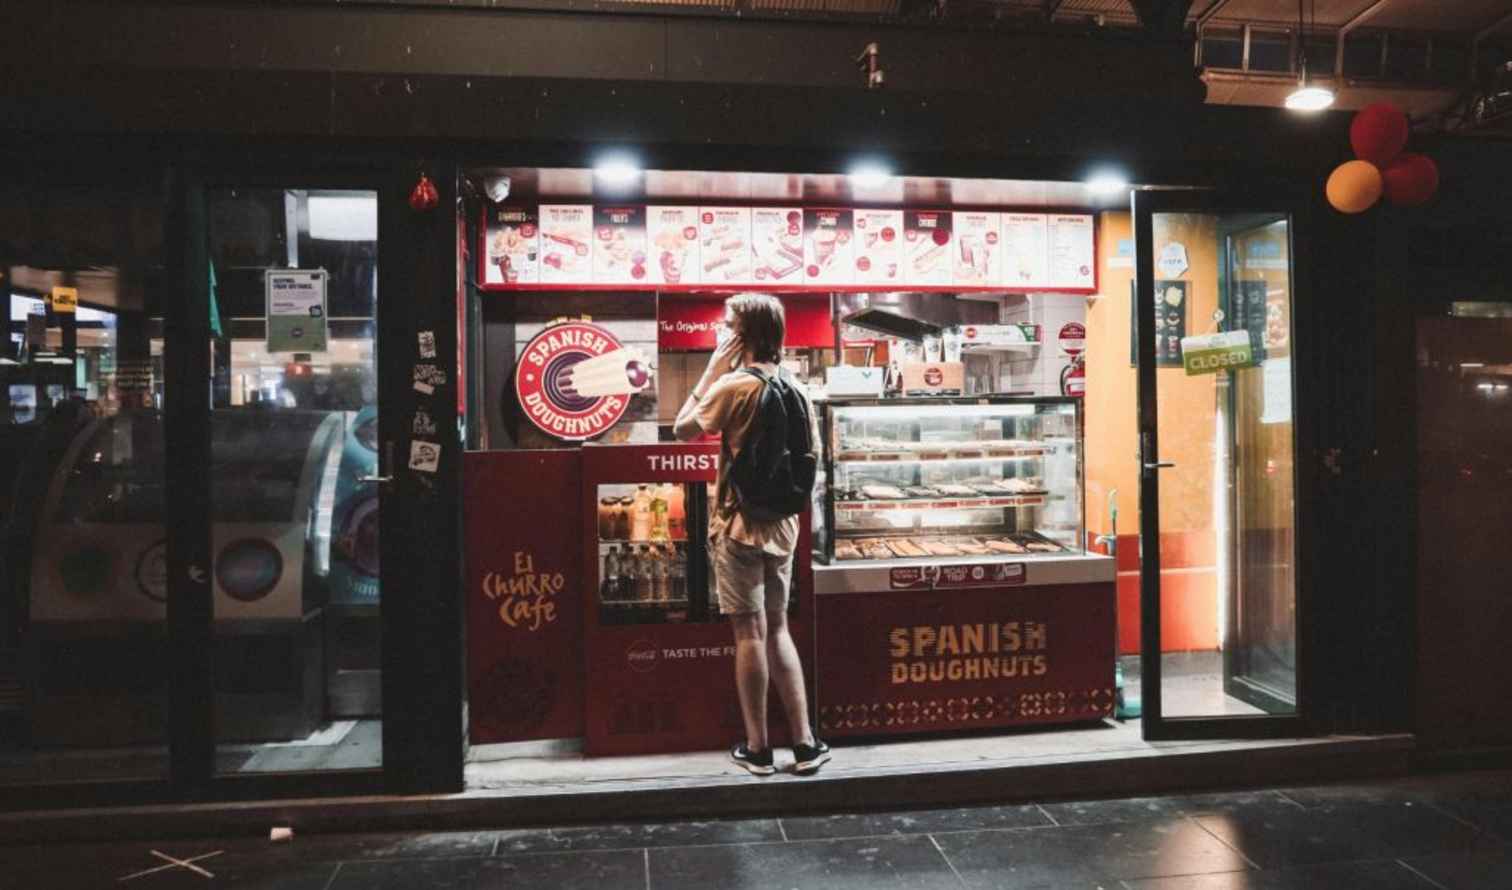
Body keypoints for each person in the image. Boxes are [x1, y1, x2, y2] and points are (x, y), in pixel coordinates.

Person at [673, 293, 830, 776]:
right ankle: (804, 745)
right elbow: (813, 462)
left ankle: (759, 748)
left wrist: (713, 369)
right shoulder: (799, 390)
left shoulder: (734, 386)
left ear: (743, 335)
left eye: (728, 326)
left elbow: (682, 429)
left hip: (738, 524)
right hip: (783, 527)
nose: (722, 333)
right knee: (778, 628)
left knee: (749, 633)